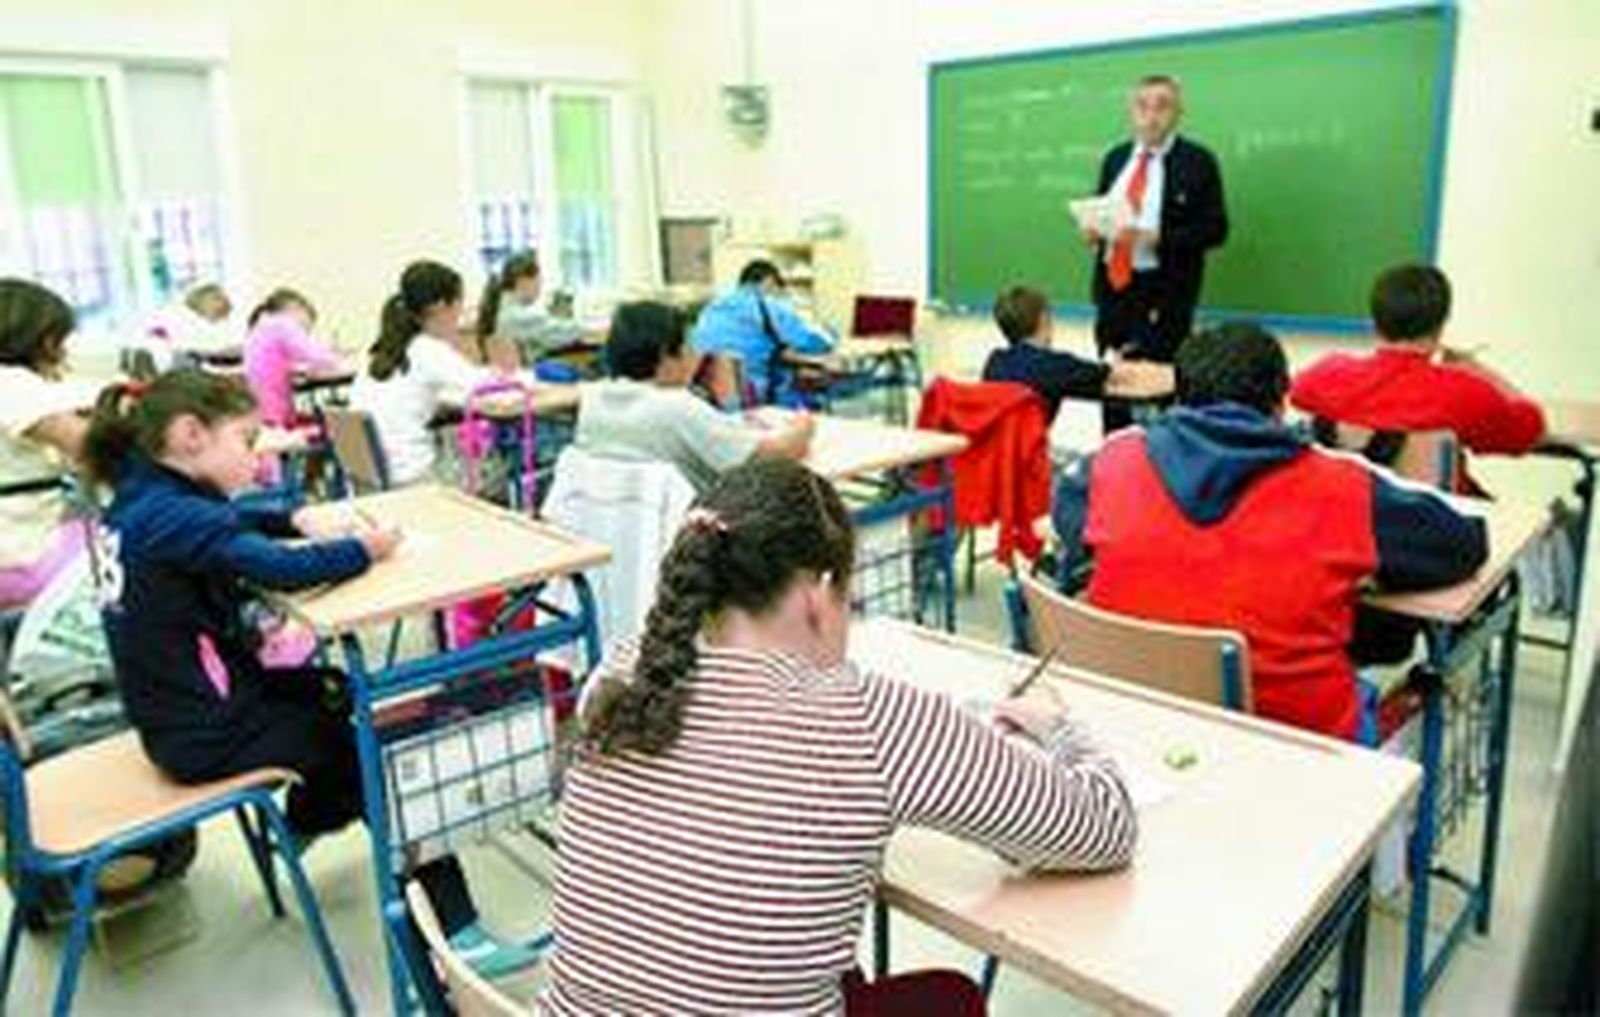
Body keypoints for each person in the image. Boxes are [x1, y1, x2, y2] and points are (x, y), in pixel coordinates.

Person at [538, 457, 1138, 1015]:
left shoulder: (616, 677)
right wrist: (1059, 727)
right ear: (820, 595)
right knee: (949, 999)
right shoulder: (873, 720)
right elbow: (1102, 831)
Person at [84, 369, 540, 976]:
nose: (260, 455)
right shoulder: (173, 516)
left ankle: (306, 818)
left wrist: (294, 516)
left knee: (334, 694)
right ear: (191, 435)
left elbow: (230, 521)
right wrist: (364, 550)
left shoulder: (144, 498)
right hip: (207, 733)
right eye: (246, 441)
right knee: (375, 760)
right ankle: (455, 933)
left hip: (182, 715)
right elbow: (277, 570)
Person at [1052, 322, 1487, 741]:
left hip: (1138, 729)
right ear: (1282, 404)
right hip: (1302, 752)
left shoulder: (1112, 464)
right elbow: (1462, 546)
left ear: (1178, 400)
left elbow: (1068, 519)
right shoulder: (1344, 488)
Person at [1290, 264, 1547, 491]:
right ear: (1441, 325)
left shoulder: (1325, 375)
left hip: (1346, 523)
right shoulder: (1463, 392)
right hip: (1434, 530)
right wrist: (1481, 372)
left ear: (1374, 321)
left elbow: (1294, 395)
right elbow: (1529, 431)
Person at [1087, 75, 1227, 431]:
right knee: (1114, 393)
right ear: (1132, 112)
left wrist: (1157, 238)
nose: (1151, 116)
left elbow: (1216, 230)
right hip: (1114, 295)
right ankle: (1114, 468)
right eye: (1142, 106)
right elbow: (1107, 215)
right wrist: (1095, 233)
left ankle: (1158, 477)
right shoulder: (1116, 159)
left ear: (1178, 112)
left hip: (1163, 302)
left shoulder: (1197, 162)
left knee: (1158, 402)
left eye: (1162, 106)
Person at [574, 301, 814, 493]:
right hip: (701, 532)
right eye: (689, 346)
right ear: (665, 355)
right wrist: (803, 426)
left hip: (625, 536)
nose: (696, 355)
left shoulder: (593, 400)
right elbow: (768, 459)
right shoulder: (677, 406)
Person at [351, 260, 513, 486]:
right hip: (414, 479)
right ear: (440, 306)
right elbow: (486, 384)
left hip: (369, 479)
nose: (460, 315)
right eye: (459, 304)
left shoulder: (379, 353)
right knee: (501, 468)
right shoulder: (428, 350)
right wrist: (503, 374)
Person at [0, 279, 97, 609]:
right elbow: (92, 447)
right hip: (21, 557)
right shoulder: (11, 383)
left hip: (13, 548)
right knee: (154, 548)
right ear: (46, 340)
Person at [982, 285, 1165, 423]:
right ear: (1044, 319)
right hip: (1026, 462)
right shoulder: (1056, 366)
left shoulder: (994, 361)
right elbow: (1109, 376)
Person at [691, 259, 833, 407]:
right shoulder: (767, 304)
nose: (780, 297)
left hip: (708, 392)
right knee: (806, 388)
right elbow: (812, 342)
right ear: (769, 282)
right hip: (746, 393)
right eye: (779, 291)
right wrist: (829, 334)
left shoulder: (712, 306)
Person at [473, 250, 585, 363]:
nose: (540, 288)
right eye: (538, 281)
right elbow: (568, 332)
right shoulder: (519, 316)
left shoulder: (503, 309)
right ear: (523, 280)